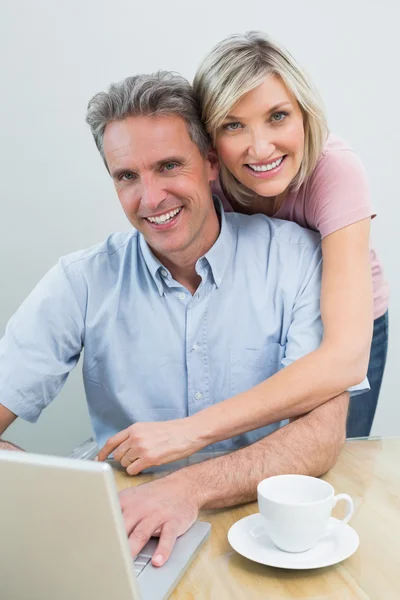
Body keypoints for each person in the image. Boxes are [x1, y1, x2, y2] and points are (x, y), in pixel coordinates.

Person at [0, 71, 362, 565]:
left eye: (168, 166)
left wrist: (189, 487)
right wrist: (30, 486)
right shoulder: (81, 281)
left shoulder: (295, 258)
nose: (150, 199)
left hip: (263, 530)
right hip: (132, 533)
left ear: (211, 163)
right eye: (127, 176)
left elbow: (322, 434)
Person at [191, 31, 388, 440]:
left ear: (304, 114)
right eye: (233, 125)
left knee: (332, 463)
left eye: (277, 116)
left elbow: (345, 357)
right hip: (261, 323)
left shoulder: (334, 171)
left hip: (346, 329)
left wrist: (194, 430)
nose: (261, 149)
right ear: (210, 140)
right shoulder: (205, 182)